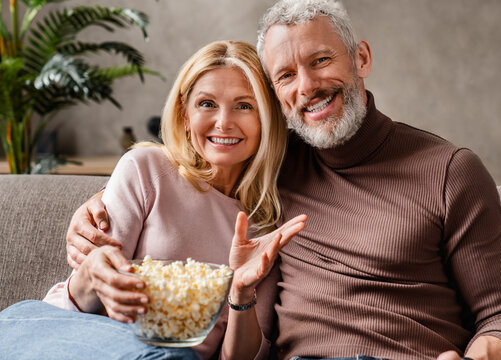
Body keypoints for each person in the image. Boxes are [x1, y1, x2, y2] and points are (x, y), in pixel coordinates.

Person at [64, 1, 501, 359]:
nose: (306, 86)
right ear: (277, 99)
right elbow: (197, 166)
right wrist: (103, 201)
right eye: (285, 75)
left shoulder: (451, 171)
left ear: (361, 58)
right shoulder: (277, 167)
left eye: (321, 60)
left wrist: (481, 354)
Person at [0, 40, 306, 360]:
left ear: (265, 119)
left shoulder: (268, 221)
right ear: (184, 115)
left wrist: (241, 293)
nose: (224, 122)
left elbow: (237, 359)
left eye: (244, 105)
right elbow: (84, 300)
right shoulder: (147, 170)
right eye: (207, 104)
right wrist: (94, 276)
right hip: (65, 336)